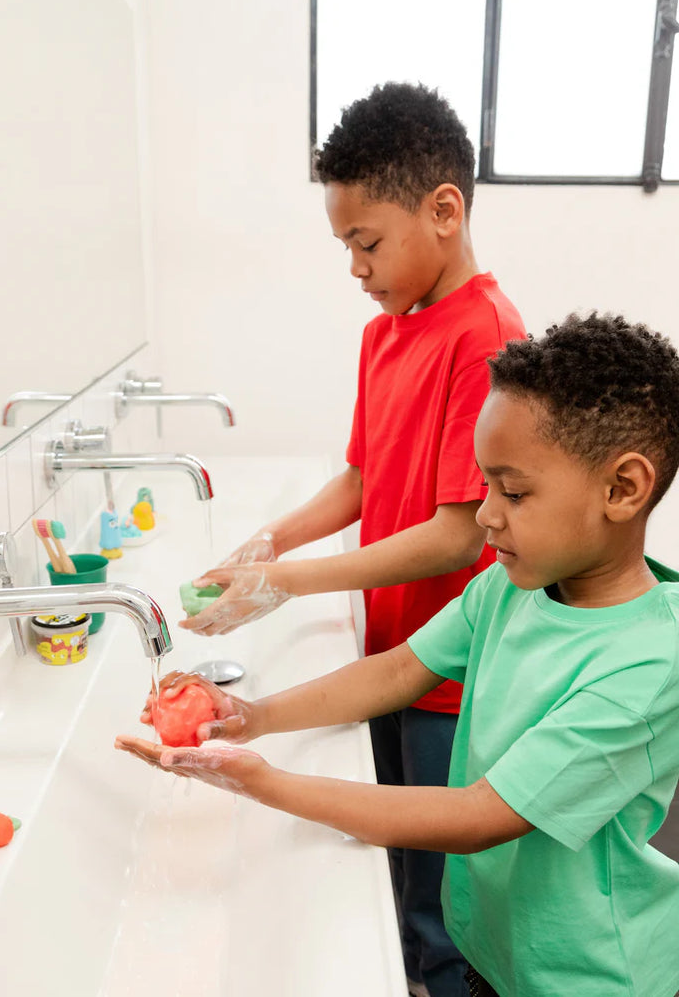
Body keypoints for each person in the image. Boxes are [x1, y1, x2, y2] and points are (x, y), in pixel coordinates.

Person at [117, 313, 679, 997]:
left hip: (587, 977)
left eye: (515, 492)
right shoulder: (507, 587)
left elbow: (478, 817)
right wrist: (251, 716)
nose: (485, 515)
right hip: (501, 952)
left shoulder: (649, 668)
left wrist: (262, 783)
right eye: (486, 486)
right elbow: (398, 670)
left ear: (622, 490)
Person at [180, 82, 525, 997]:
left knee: (436, 901)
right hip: (389, 648)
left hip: (449, 679)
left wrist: (290, 582)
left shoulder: (484, 337)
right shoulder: (388, 336)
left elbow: (458, 538)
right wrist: (266, 546)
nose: (355, 267)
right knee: (395, 870)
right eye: (346, 246)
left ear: (443, 210)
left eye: (365, 242)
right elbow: (365, 480)